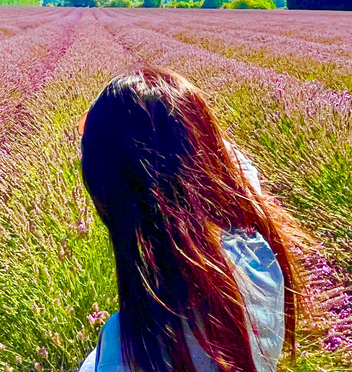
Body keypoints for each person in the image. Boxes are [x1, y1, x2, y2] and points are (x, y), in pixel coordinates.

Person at [77, 67, 307, 372]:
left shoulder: (131, 346)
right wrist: (181, 124)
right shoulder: (255, 255)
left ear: (107, 200)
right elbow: (230, 166)